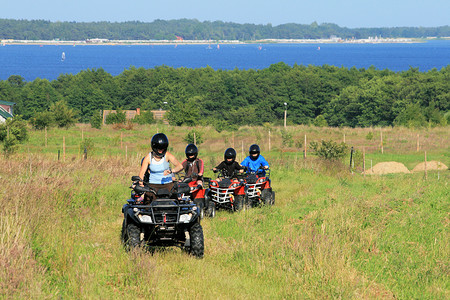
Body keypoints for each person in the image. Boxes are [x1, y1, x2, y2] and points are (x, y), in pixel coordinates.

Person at [138, 133, 183, 203]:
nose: (161, 151)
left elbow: (180, 166)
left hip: (168, 185)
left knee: (175, 203)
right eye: (159, 149)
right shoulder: (148, 158)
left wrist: (171, 171)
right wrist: (141, 185)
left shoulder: (167, 155)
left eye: (162, 149)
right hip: (153, 186)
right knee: (148, 204)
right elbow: (141, 173)